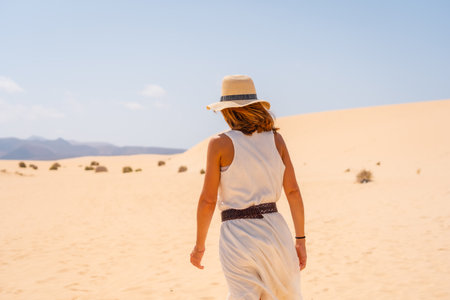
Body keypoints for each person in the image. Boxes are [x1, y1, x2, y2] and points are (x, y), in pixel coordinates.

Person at [190, 74, 307, 300]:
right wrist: (300, 240)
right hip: (276, 231)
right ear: (254, 106)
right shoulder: (276, 140)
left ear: (227, 110)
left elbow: (208, 201)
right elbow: (293, 191)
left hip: (238, 235)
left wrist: (199, 247)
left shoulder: (219, 143)